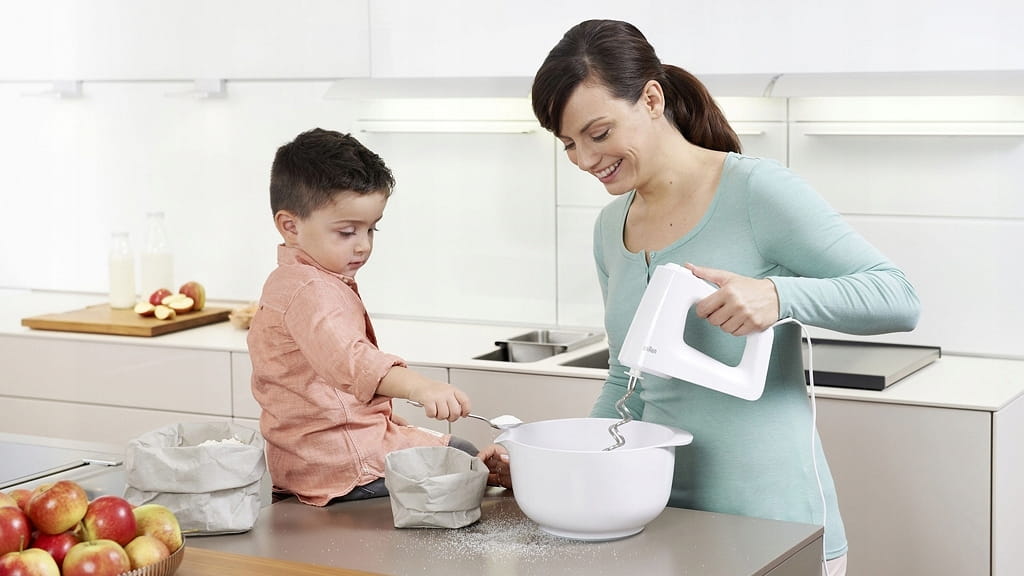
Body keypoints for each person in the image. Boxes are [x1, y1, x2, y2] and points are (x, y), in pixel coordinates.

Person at [528, 20, 921, 575]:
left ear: (652, 99)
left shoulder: (755, 191)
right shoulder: (610, 228)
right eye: (569, 144)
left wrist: (778, 295)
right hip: (663, 526)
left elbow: (898, 296)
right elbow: (626, 379)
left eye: (598, 133)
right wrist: (572, 464)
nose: (586, 160)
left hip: (776, 528)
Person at [248, 127, 488, 506]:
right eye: (347, 232)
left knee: (460, 453)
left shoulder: (297, 280)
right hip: (342, 464)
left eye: (371, 229)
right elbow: (352, 362)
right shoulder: (309, 290)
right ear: (290, 226)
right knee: (464, 460)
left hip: (312, 459)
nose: (363, 245)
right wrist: (422, 388)